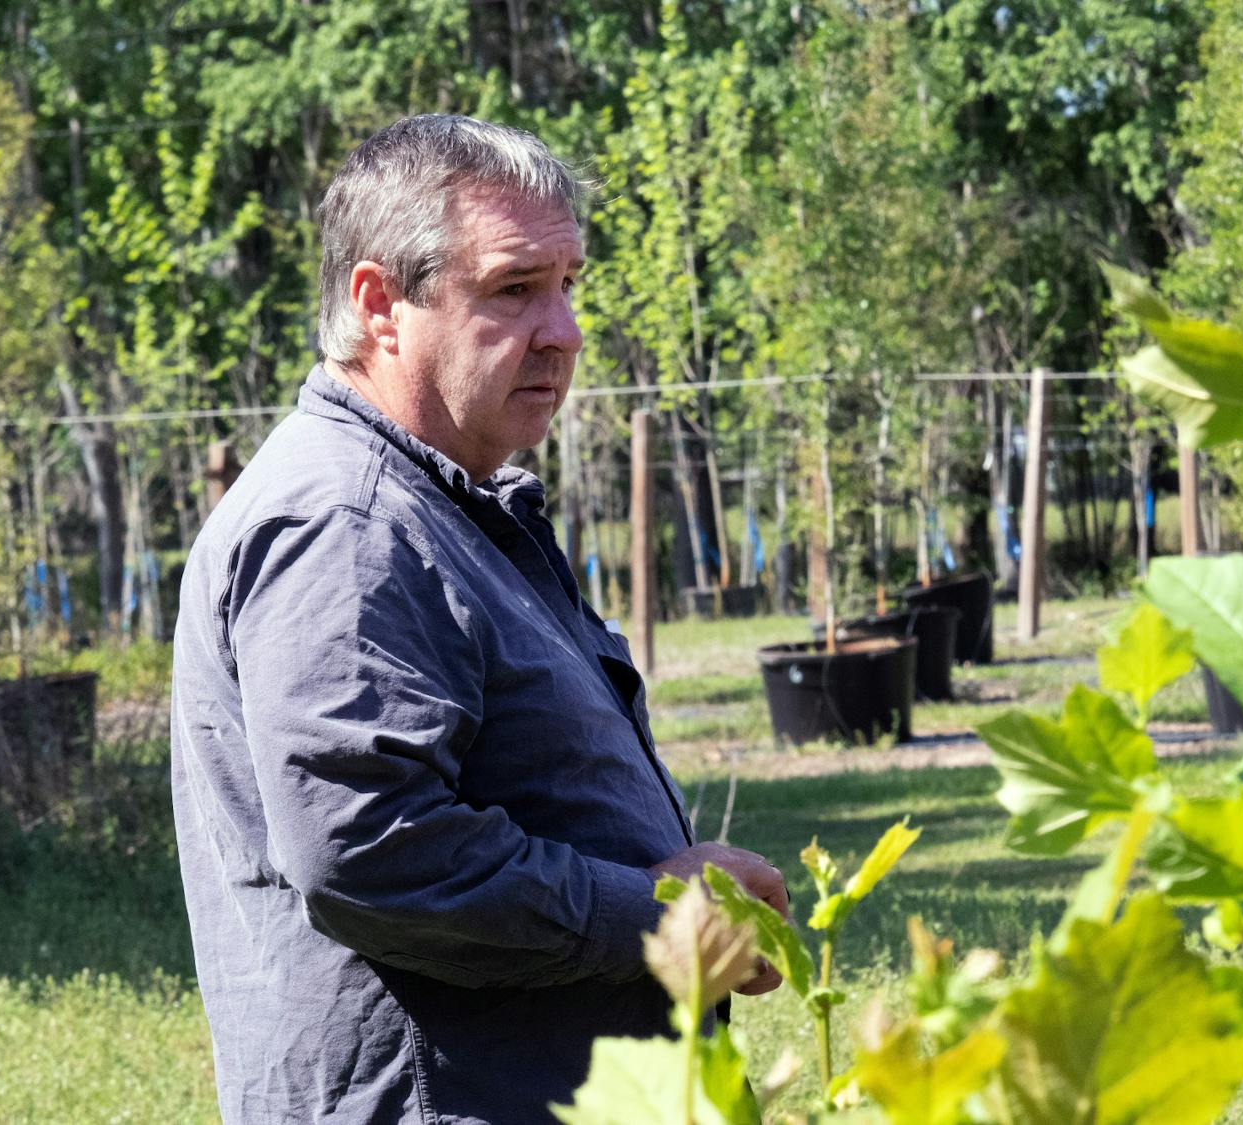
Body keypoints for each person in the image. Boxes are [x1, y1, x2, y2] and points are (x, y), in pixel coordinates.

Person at [170, 114, 788, 1125]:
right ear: (380, 305)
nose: (564, 331)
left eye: (567, 286)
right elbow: (371, 852)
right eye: (512, 289)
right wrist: (661, 916)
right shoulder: (349, 525)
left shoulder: (438, 505)